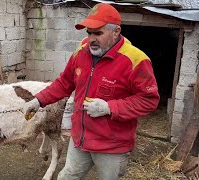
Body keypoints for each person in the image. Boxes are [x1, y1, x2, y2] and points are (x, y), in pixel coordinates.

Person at [23, 3, 160, 180]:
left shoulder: (136, 60)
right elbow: (64, 83)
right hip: (80, 138)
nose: (91, 39)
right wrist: (38, 100)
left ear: (116, 32)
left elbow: (149, 100)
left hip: (112, 145)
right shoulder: (82, 51)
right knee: (66, 177)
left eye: (98, 33)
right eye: (88, 32)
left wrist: (110, 108)